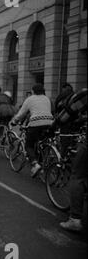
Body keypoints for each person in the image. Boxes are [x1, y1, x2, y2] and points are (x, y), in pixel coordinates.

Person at [55, 88, 87, 232]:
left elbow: (65, 116)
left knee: (77, 175)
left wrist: (53, 127)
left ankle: (75, 219)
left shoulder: (84, 95)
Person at [11, 84, 54, 177]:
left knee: (29, 145)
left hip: (36, 124)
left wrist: (14, 121)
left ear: (33, 91)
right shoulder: (47, 98)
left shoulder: (30, 99)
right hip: (49, 123)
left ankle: (35, 164)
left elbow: (21, 113)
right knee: (42, 143)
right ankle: (44, 162)